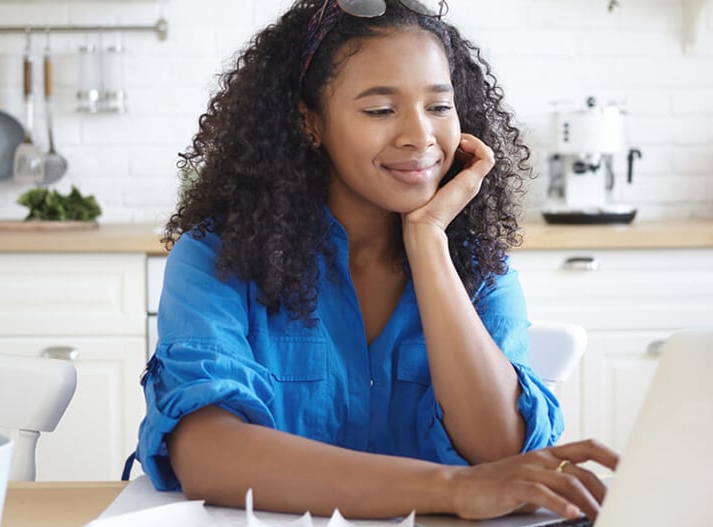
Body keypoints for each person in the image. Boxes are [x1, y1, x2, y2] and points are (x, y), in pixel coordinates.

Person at [137, 0, 618, 521]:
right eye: (380, 110)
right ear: (310, 122)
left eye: (438, 106)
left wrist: (429, 239)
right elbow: (208, 456)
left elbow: (501, 452)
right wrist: (453, 488)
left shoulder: (480, 268)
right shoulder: (216, 259)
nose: (420, 136)